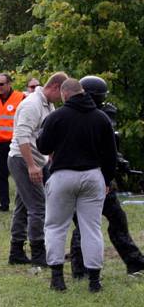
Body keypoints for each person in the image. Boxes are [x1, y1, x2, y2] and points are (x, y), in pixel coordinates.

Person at [38, 79, 116, 292]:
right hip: (92, 175)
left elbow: (43, 147)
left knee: (55, 226)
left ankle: (57, 279)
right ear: (83, 92)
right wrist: (107, 180)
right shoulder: (101, 118)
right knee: (92, 228)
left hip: (63, 175)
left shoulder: (56, 117)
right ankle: (94, 281)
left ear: (64, 94)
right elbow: (111, 155)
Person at [69, 76, 144, 277]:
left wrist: (119, 162)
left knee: (105, 222)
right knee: (91, 224)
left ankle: (133, 263)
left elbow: (110, 146)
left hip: (93, 178)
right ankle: (82, 268)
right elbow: (104, 148)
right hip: (95, 179)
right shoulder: (94, 116)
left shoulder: (77, 114)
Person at [6, 72, 68, 266]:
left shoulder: (48, 104)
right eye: (62, 93)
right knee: (38, 207)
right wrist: (32, 165)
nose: (63, 98)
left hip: (34, 160)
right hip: (22, 159)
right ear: (55, 87)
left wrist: (48, 157)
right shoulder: (31, 104)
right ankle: (39, 254)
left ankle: (16, 251)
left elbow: (44, 135)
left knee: (24, 206)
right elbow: (22, 136)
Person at [0, 73, 25, 212]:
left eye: (1, 84)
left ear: (9, 84)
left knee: (19, 174)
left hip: (15, 142)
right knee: (2, 174)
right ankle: (4, 204)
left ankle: (23, 203)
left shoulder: (21, 97)